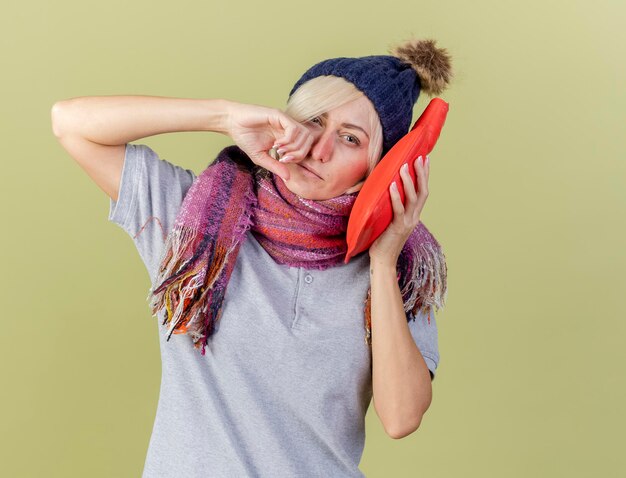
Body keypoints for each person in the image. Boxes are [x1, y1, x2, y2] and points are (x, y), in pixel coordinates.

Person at [51, 37, 452, 478]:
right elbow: (70, 122)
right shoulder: (193, 222)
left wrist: (382, 260)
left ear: (379, 168)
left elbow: (401, 418)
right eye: (313, 120)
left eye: (350, 138)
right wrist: (223, 116)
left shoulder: (399, 271)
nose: (320, 147)